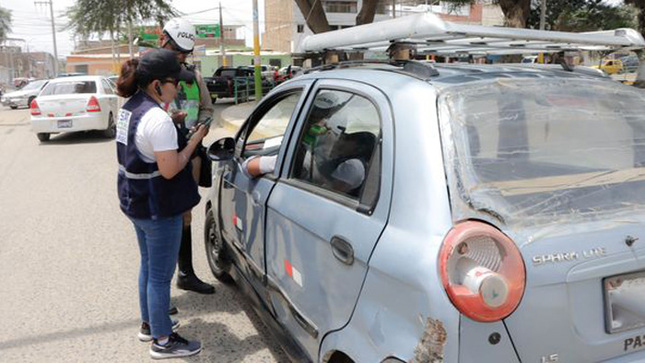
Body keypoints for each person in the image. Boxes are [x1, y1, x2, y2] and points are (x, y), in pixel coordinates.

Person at [115, 48, 207, 359]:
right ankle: (164, 340)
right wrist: (194, 140)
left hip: (135, 203)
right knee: (159, 276)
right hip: (158, 208)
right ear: (157, 85)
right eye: (174, 82)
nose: (178, 88)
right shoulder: (158, 120)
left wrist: (170, 121)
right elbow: (170, 168)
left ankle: (149, 324)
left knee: (148, 267)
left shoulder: (131, 108)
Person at [160, 18, 216, 295]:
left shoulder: (193, 77)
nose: (180, 57)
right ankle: (159, 290)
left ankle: (186, 273)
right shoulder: (147, 77)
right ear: (163, 41)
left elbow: (207, 108)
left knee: (185, 215)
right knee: (159, 220)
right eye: (176, 51)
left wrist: (202, 127)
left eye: (184, 53)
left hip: (190, 156)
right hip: (160, 160)